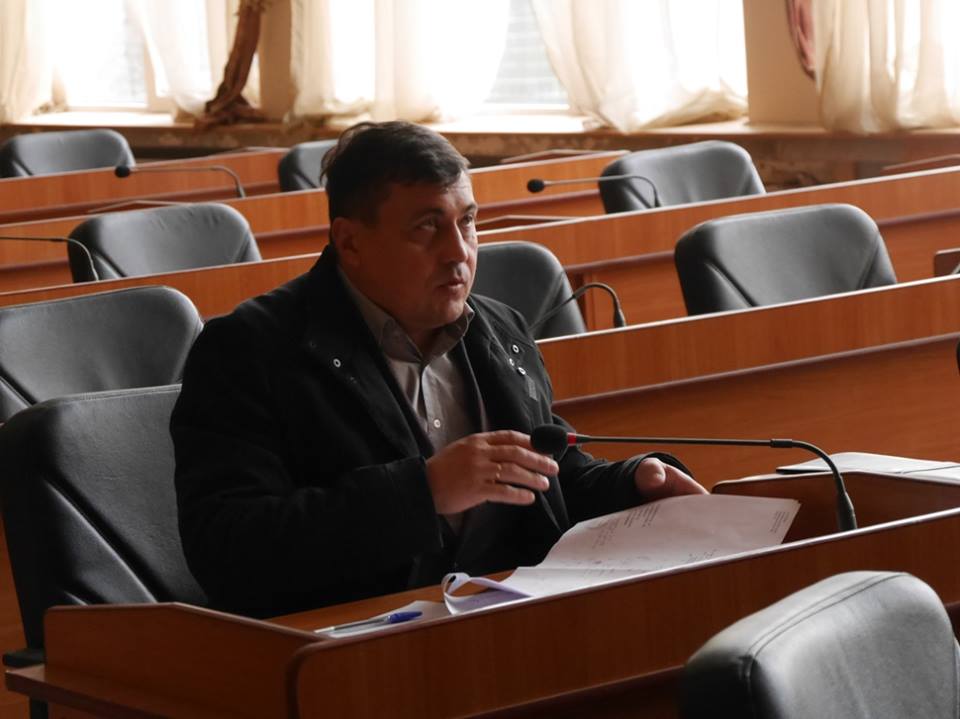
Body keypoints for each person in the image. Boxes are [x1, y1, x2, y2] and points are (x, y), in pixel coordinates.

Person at [171, 121, 705, 618]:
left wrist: (628, 484)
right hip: (355, 645)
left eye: (467, 221)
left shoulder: (499, 327)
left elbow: (540, 475)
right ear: (350, 242)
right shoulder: (249, 350)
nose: (459, 252)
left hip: (511, 621)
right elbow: (228, 548)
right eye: (427, 227)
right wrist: (422, 494)